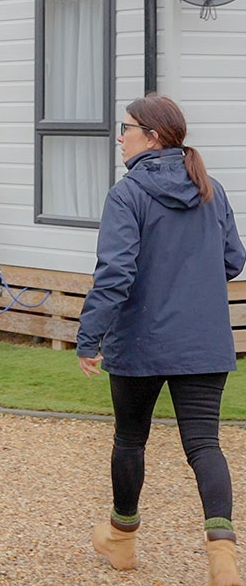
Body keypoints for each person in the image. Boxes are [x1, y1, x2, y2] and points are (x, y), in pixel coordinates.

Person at [77, 94, 245, 586]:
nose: (120, 139)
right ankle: (223, 557)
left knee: (131, 439)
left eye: (126, 129)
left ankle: (122, 540)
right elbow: (233, 260)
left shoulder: (127, 195)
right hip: (204, 342)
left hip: (142, 343)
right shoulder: (210, 188)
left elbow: (115, 274)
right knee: (204, 445)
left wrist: (89, 338)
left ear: (152, 137)